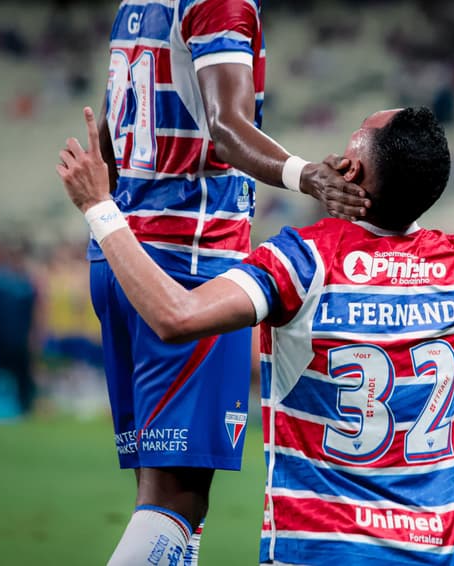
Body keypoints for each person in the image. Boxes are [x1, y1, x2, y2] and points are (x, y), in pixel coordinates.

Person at [57, 91, 454, 564]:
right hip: (429, 555)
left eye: (351, 140)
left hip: (313, 550)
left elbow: (174, 317)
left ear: (353, 173)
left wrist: (100, 208)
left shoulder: (304, 261)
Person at [70, 2, 370, 563]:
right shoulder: (218, 4)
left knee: (168, 498)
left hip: (119, 252)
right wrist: (307, 175)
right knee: (175, 500)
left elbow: (114, 130)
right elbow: (228, 128)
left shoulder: (137, 5)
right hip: (186, 268)